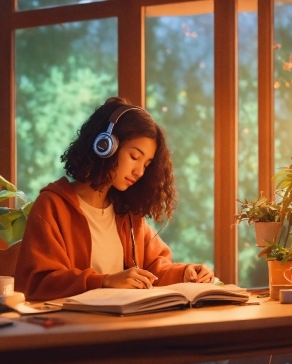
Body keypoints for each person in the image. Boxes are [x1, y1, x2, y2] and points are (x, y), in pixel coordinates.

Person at [15, 96, 214, 302]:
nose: (139, 172)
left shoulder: (127, 213)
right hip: (73, 329)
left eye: (146, 164)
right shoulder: (52, 206)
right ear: (105, 145)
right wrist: (104, 281)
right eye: (134, 157)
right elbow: (38, 282)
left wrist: (187, 272)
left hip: (122, 327)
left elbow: (154, 268)